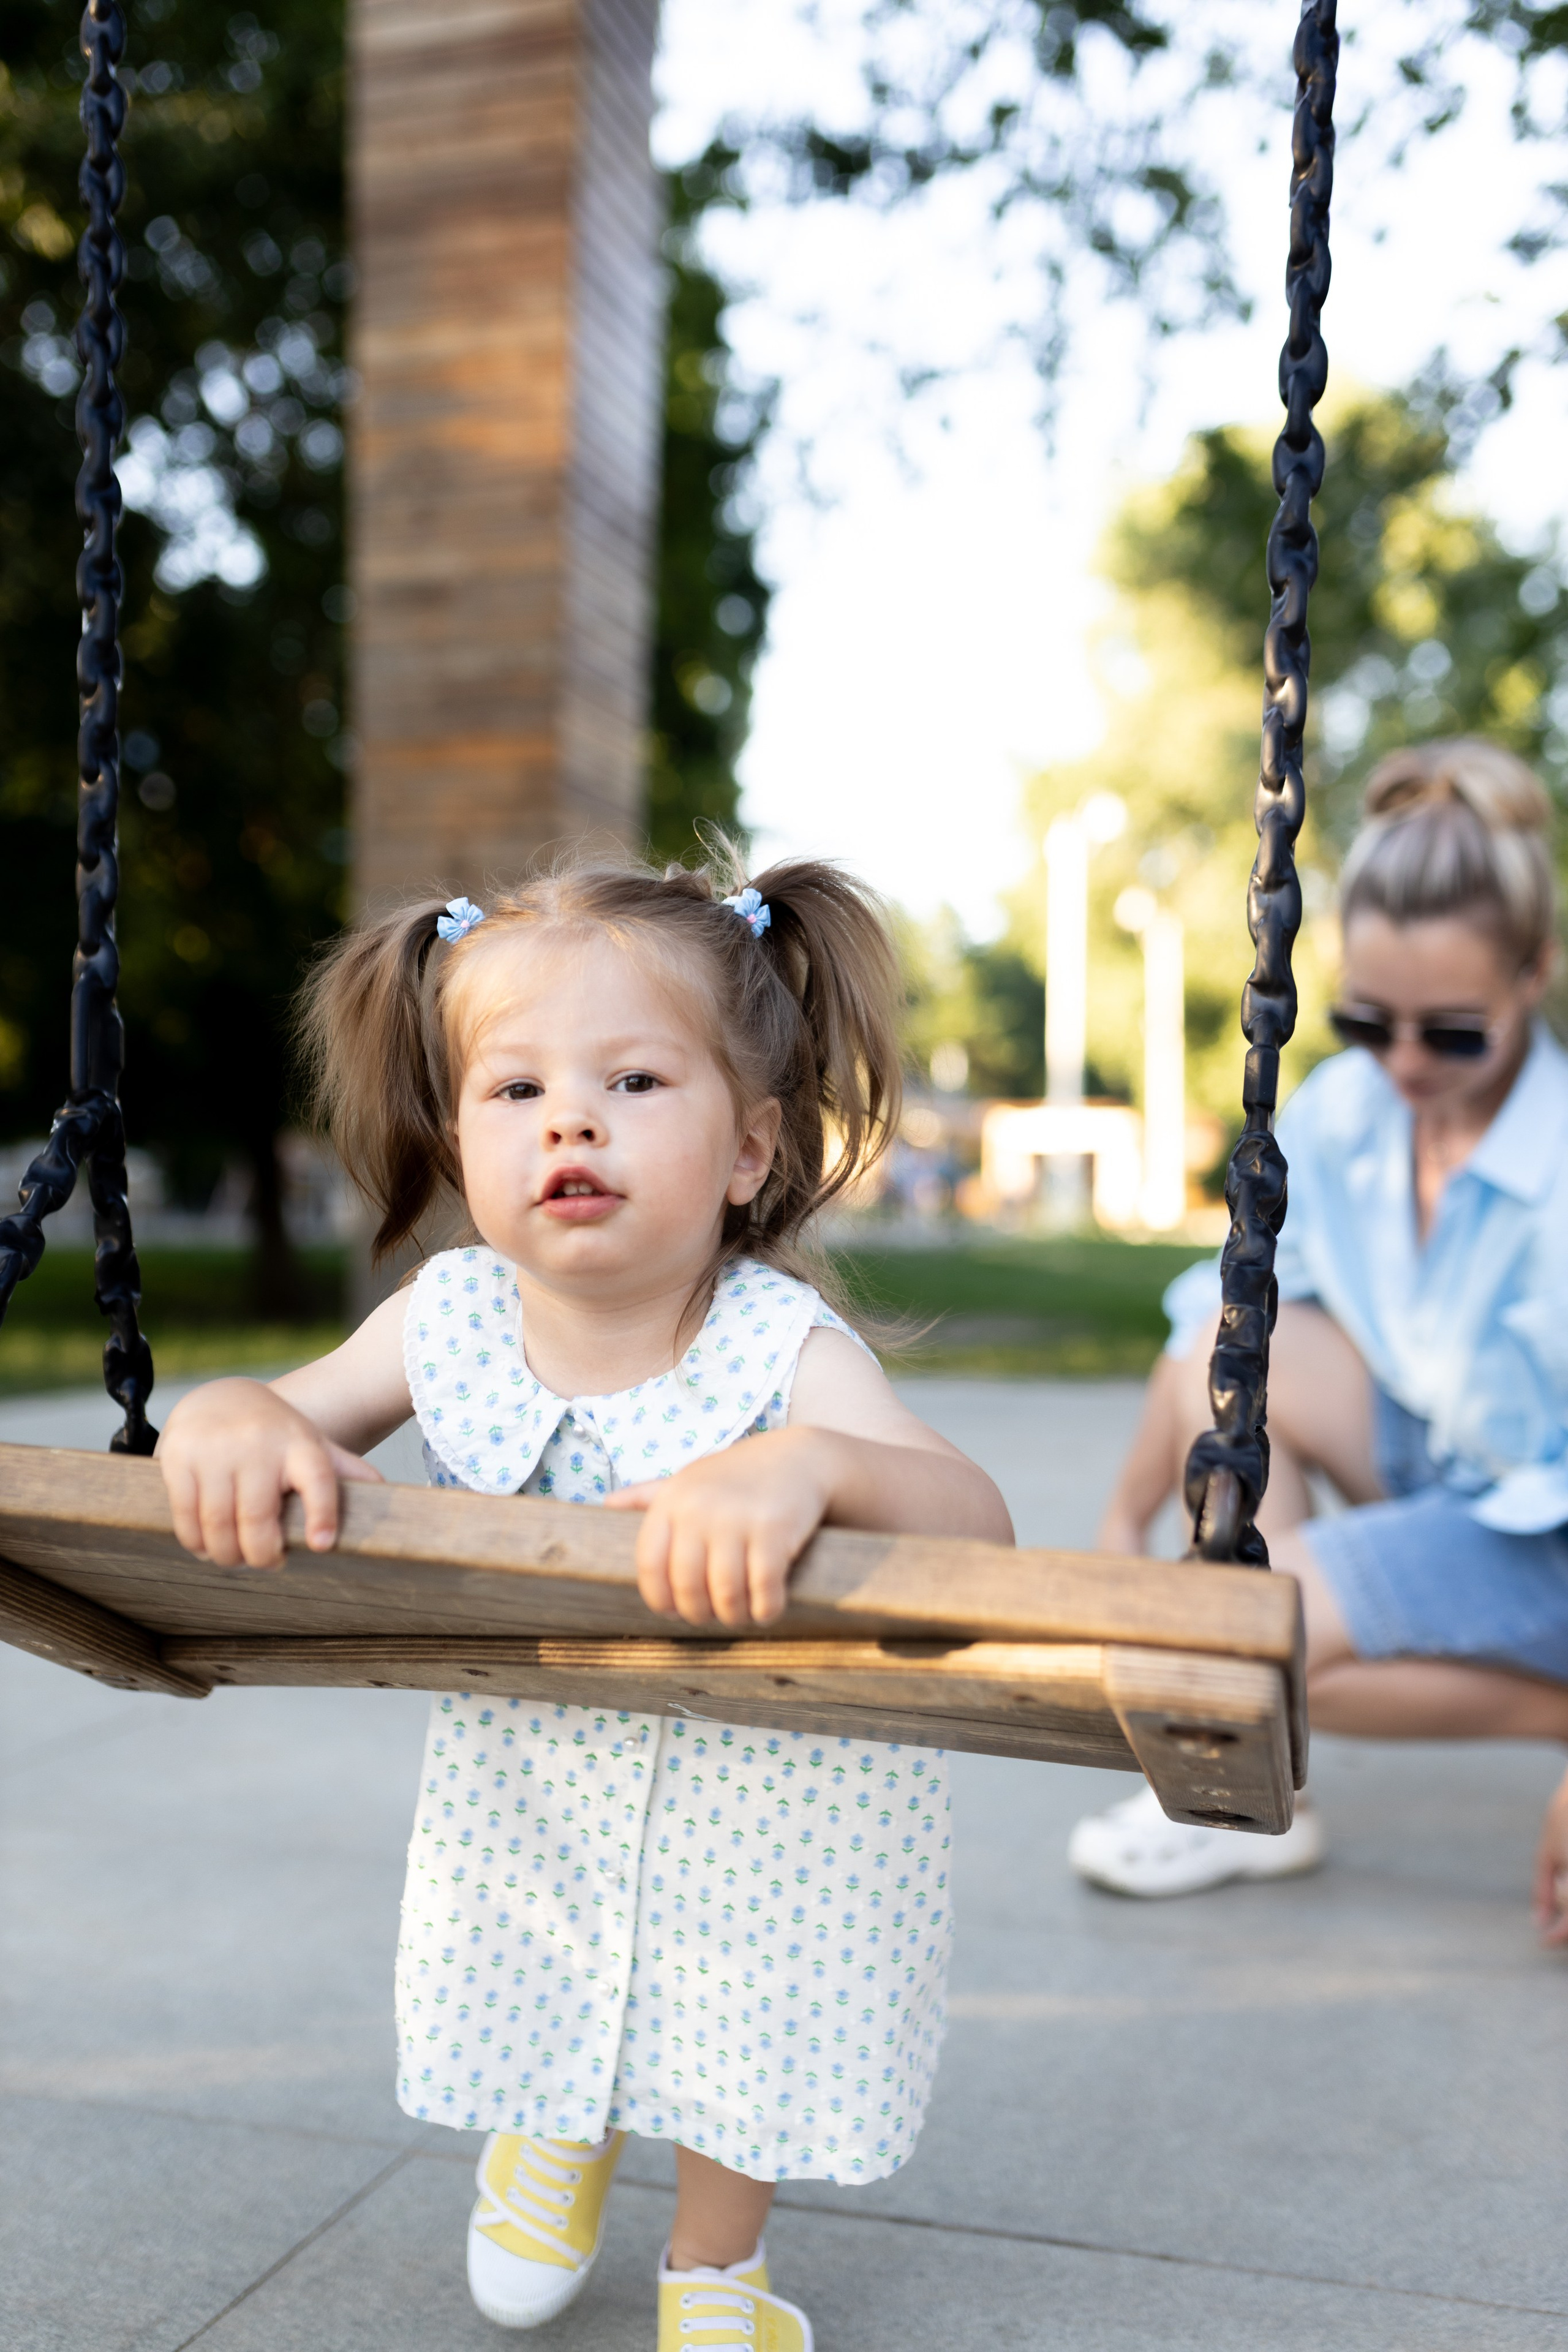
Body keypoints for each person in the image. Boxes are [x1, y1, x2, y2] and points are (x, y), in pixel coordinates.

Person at [157, 853, 1011, 2350]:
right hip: (540, 1790)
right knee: (546, 1963)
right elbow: (281, 1410)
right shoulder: (450, 1319)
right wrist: (231, 1412)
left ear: (747, 1150)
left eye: (631, 1080)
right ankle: (557, 2131)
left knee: (745, 2026)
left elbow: (978, 1525)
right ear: (459, 1135)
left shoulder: (777, 1346)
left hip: (777, 1803)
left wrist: (810, 1469)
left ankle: (715, 2274)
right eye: (515, 1090)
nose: (570, 1120)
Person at [1070, 738, 1568, 1940]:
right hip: (1439, 1460)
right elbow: (1222, 1314)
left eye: (1450, 1034)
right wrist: (1117, 1521)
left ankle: (1247, 1745)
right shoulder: (1346, 1111)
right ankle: (1252, 1760)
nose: (1401, 1064)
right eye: (1364, 1021)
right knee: (1232, 1344)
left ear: (1535, 977)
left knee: (1257, 1632)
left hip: (1539, 1525)